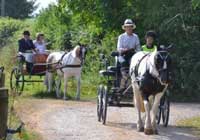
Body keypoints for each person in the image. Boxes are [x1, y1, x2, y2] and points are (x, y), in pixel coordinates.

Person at [117, 19, 141, 91]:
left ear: (132, 27)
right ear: (125, 28)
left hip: (132, 56)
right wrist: (125, 50)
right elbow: (119, 48)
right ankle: (123, 82)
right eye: (127, 27)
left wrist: (134, 51)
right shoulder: (121, 37)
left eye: (130, 26)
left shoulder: (135, 37)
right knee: (123, 63)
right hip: (123, 55)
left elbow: (138, 49)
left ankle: (134, 81)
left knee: (134, 64)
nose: (129, 28)